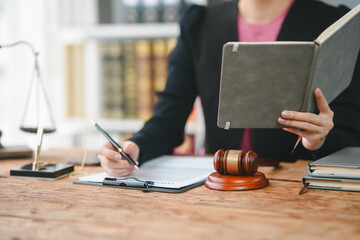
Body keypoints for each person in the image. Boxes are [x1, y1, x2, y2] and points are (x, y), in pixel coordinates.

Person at [98, 0, 360, 177]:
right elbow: (168, 119)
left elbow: (350, 132)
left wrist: (320, 140)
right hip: (219, 183)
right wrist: (135, 147)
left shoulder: (334, 21)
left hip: (298, 184)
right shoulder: (199, 23)